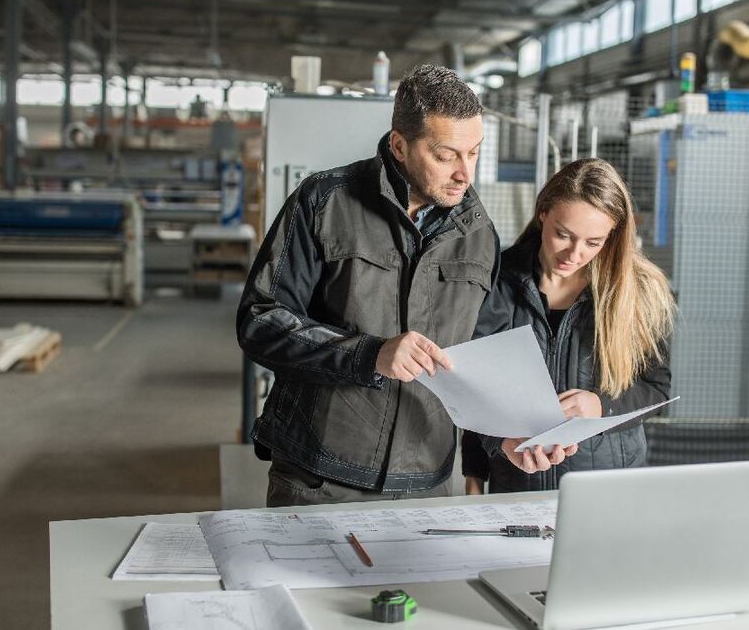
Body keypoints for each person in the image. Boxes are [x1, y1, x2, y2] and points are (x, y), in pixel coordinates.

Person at [239, 65, 560, 506]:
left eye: (474, 153)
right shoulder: (325, 202)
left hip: (425, 481)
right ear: (400, 145)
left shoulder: (478, 233)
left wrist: (503, 437)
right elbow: (262, 321)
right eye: (447, 155)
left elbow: (478, 359)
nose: (465, 174)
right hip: (320, 475)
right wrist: (370, 354)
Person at [462, 158, 675, 494]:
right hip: (517, 485)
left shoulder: (639, 290)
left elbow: (656, 387)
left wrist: (601, 407)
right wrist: (488, 456)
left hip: (606, 491)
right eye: (563, 235)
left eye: (593, 242)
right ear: (543, 211)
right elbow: (474, 388)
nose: (574, 254)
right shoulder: (496, 281)